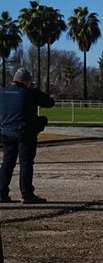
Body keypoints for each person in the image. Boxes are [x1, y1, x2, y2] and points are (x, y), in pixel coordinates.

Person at [0, 68, 55, 204]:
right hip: (25, 133)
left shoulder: (2, 92)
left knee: (7, 163)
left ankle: (2, 193)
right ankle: (27, 194)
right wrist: (35, 90)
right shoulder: (30, 93)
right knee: (26, 163)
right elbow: (49, 102)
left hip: (7, 132)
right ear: (27, 81)